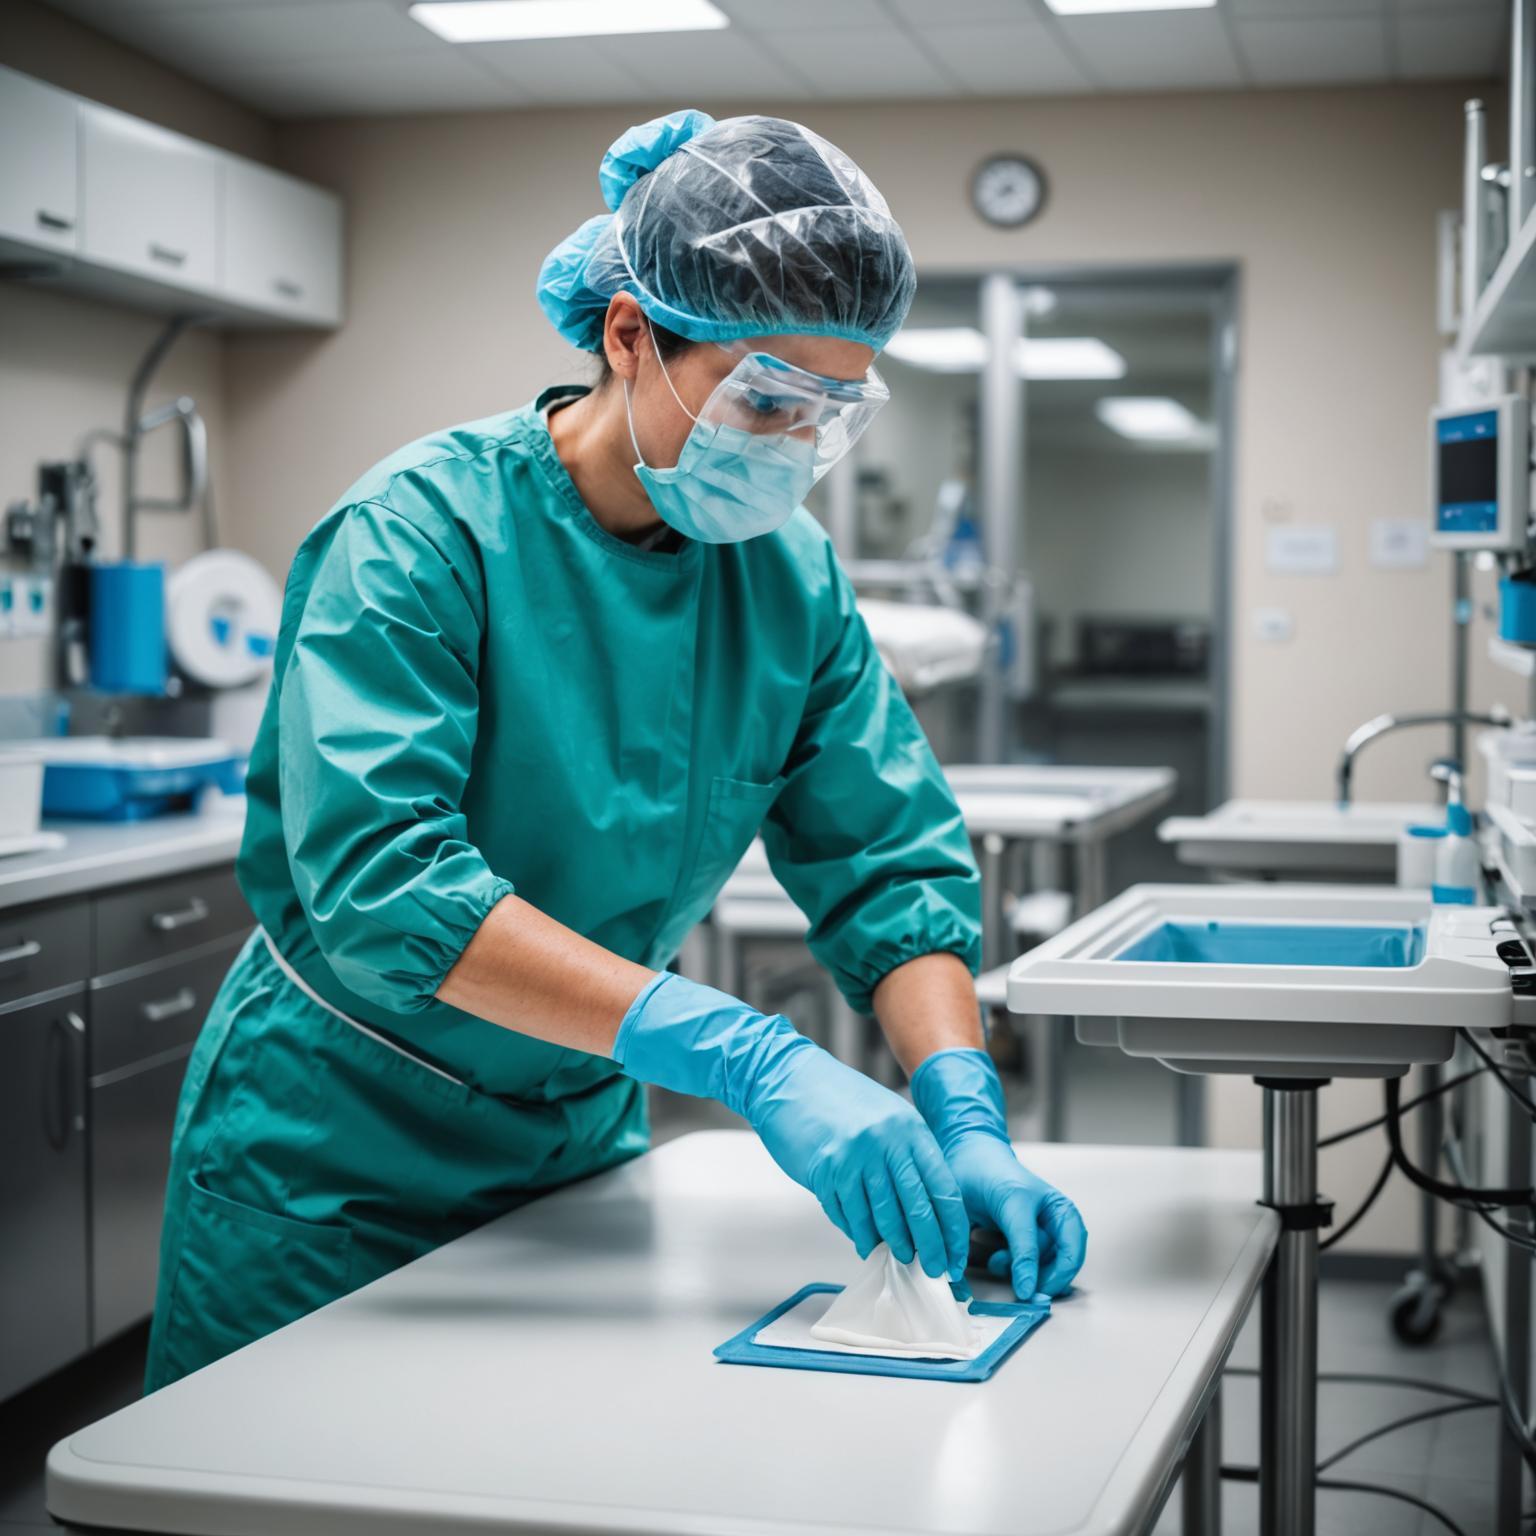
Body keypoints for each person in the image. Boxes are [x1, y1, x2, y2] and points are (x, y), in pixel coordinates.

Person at [144, 110, 1086, 1392]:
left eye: (830, 413)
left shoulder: (787, 579)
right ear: (631, 336)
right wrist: (747, 1055)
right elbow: (385, 887)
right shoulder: (420, 535)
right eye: (766, 397)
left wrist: (961, 1102)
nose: (792, 446)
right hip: (334, 1147)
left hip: (569, 1136)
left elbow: (888, 864)